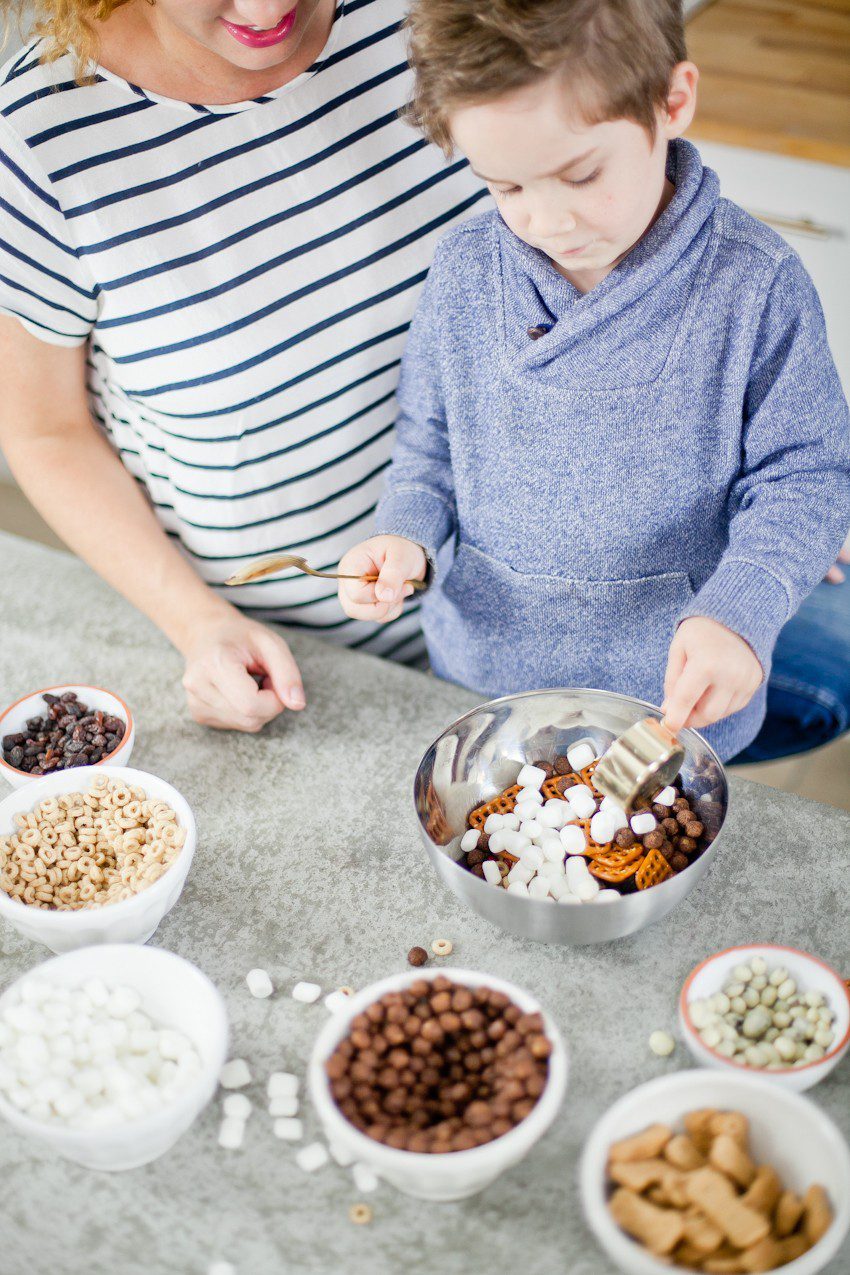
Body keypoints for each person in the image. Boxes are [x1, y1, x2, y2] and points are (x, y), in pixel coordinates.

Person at [337, 0, 850, 762]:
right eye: (506, 188)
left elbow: (805, 473)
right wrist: (405, 531)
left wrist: (742, 611)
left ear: (672, 102)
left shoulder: (756, 283)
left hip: (669, 690)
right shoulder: (464, 269)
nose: (546, 220)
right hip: (490, 673)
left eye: (580, 175)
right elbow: (428, 441)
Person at [0, 0, 486, 731]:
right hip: (297, 661)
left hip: (518, 619)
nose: (265, 8)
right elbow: (46, 432)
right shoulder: (36, 136)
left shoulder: (432, 14)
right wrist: (197, 623)